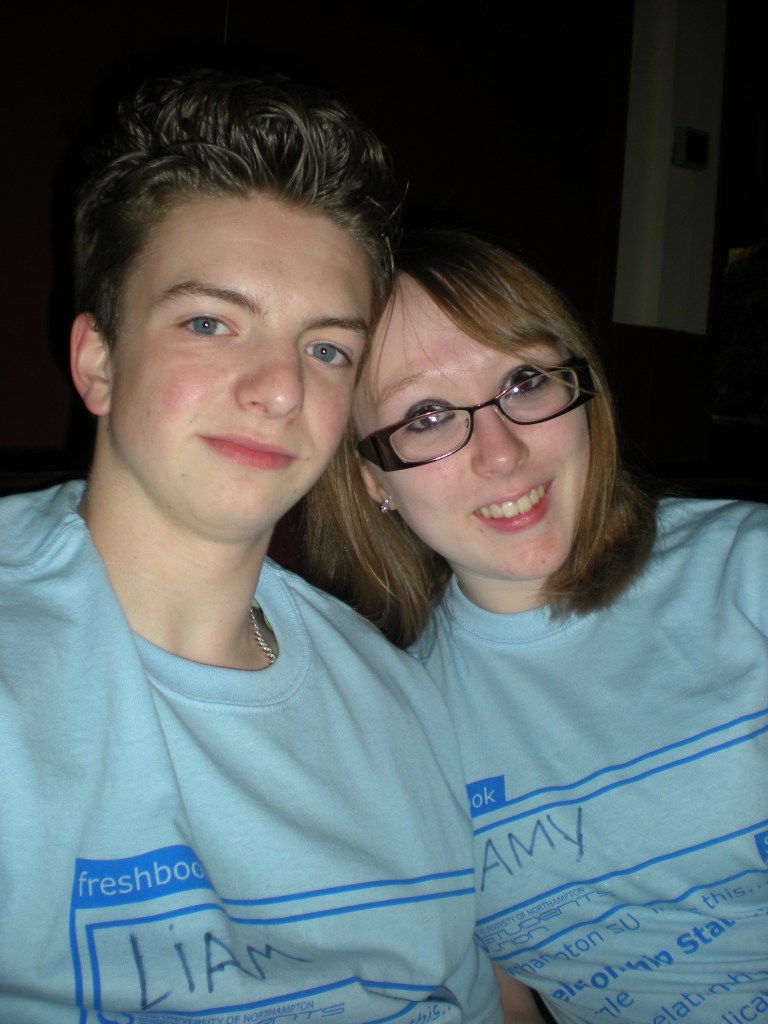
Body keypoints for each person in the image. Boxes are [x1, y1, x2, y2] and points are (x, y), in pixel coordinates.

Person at [0, 75, 504, 1024]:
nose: (279, 389)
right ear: (98, 361)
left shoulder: (403, 702)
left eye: (326, 349)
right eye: (209, 323)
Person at [304, 228, 768, 1023]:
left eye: (523, 381)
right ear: (371, 477)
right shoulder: (395, 725)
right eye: (427, 415)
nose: (501, 452)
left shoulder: (749, 573)